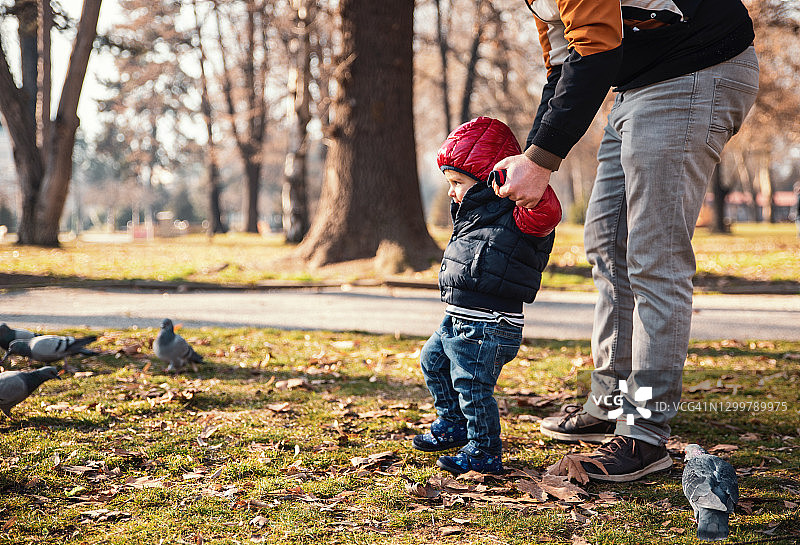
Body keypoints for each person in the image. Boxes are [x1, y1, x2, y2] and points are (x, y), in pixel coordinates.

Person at [492, 0, 759, 482]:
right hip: (637, 86)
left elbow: (594, 53)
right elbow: (564, 70)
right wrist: (532, 157)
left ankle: (644, 434)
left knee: (654, 258)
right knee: (606, 245)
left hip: (697, 69)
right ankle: (611, 402)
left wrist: (543, 161)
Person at [413, 116, 562, 475]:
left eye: (457, 182)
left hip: (490, 324)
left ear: (488, 181)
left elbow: (547, 213)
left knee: (472, 387)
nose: (451, 191)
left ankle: (484, 450)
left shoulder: (520, 212)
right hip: (459, 317)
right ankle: (453, 423)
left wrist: (527, 180)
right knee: (431, 362)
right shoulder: (473, 214)